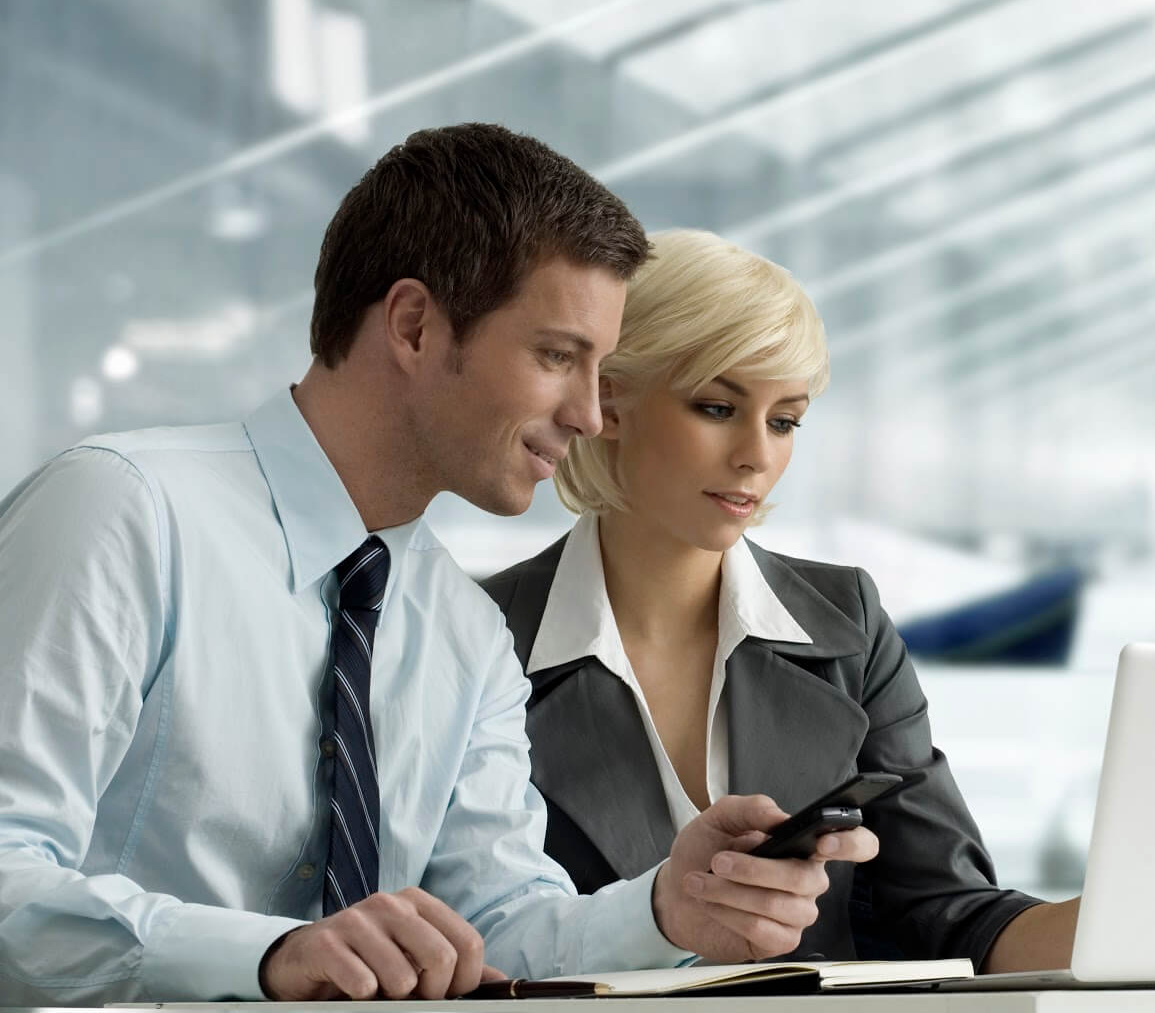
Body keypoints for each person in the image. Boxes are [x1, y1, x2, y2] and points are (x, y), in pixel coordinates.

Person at [0, 127, 874, 1007]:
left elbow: (499, 923)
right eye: (558, 356)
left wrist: (669, 906)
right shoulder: (123, 513)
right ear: (415, 325)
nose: (587, 413)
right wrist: (269, 957)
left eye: (601, 369)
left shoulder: (462, 629)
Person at [481, 229, 1079, 973]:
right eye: (717, 406)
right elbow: (473, 931)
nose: (757, 455)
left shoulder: (846, 622)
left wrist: (1119, 919)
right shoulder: (478, 636)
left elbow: (948, 912)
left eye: (785, 419)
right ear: (611, 398)